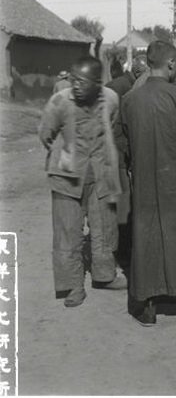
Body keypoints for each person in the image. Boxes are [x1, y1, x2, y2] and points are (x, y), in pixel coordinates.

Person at [119, 41, 176, 327]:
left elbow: (124, 145)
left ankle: (149, 309)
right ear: (171, 63)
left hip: (143, 180)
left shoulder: (130, 100)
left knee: (147, 236)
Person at [39, 56, 126, 308]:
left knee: (104, 229)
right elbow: (45, 133)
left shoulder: (110, 99)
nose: (75, 85)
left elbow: (112, 124)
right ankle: (73, 286)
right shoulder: (59, 101)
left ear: (98, 83)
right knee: (68, 232)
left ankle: (104, 276)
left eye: (83, 81)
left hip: (101, 175)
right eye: (73, 79)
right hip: (67, 177)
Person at [106, 53, 149, 274]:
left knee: (120, 205)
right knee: (123, 206)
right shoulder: (124, 88)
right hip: (118, 153)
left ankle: (121, 251)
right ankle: (122, 254)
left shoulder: (118, 85)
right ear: (140, 71)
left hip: (116, 151)